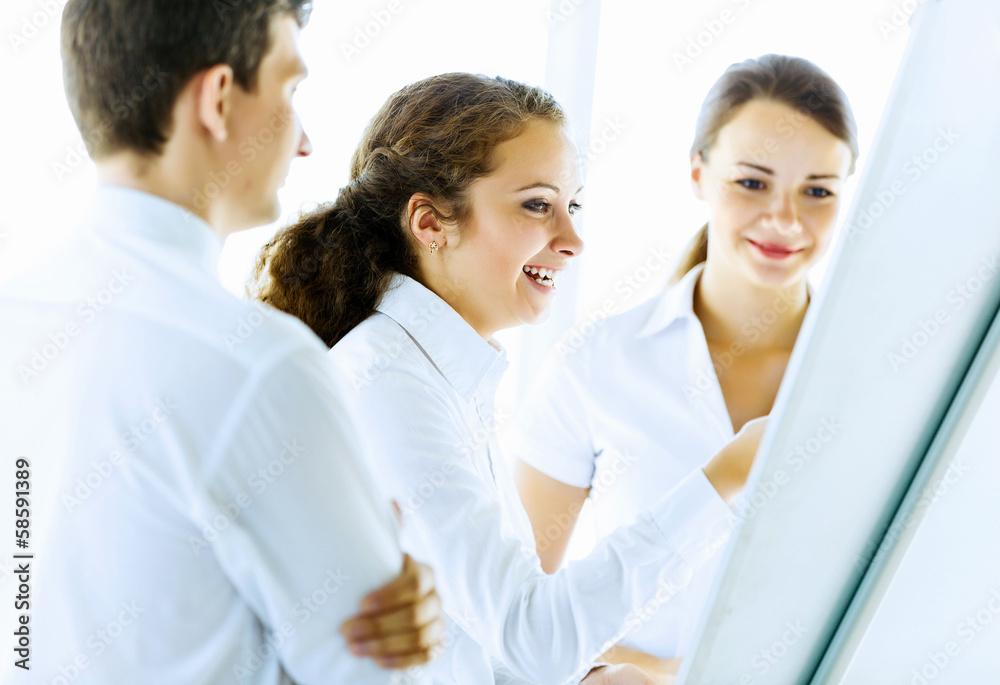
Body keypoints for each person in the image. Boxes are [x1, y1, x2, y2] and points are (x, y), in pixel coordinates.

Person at [250, 72, 767, 685]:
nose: (572, 240)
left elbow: (484, 643)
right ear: (430, 223)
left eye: (572, 206)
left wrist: (588, 678)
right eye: (537, 205)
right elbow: (532, 638)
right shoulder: (387, 385)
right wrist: (723, 478)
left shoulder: (437, 376)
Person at [0, 2, 446, 683]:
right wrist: (419, 627)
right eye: (289, 89)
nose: (304, 140)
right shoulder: (259, 365)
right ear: (217, 99)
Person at [510, 54, 859, 679]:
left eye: (818, 191)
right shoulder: (597, 365)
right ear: (698, 173)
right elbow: (517, 617)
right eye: (752, 183)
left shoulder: (877, 380)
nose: (785, 219)